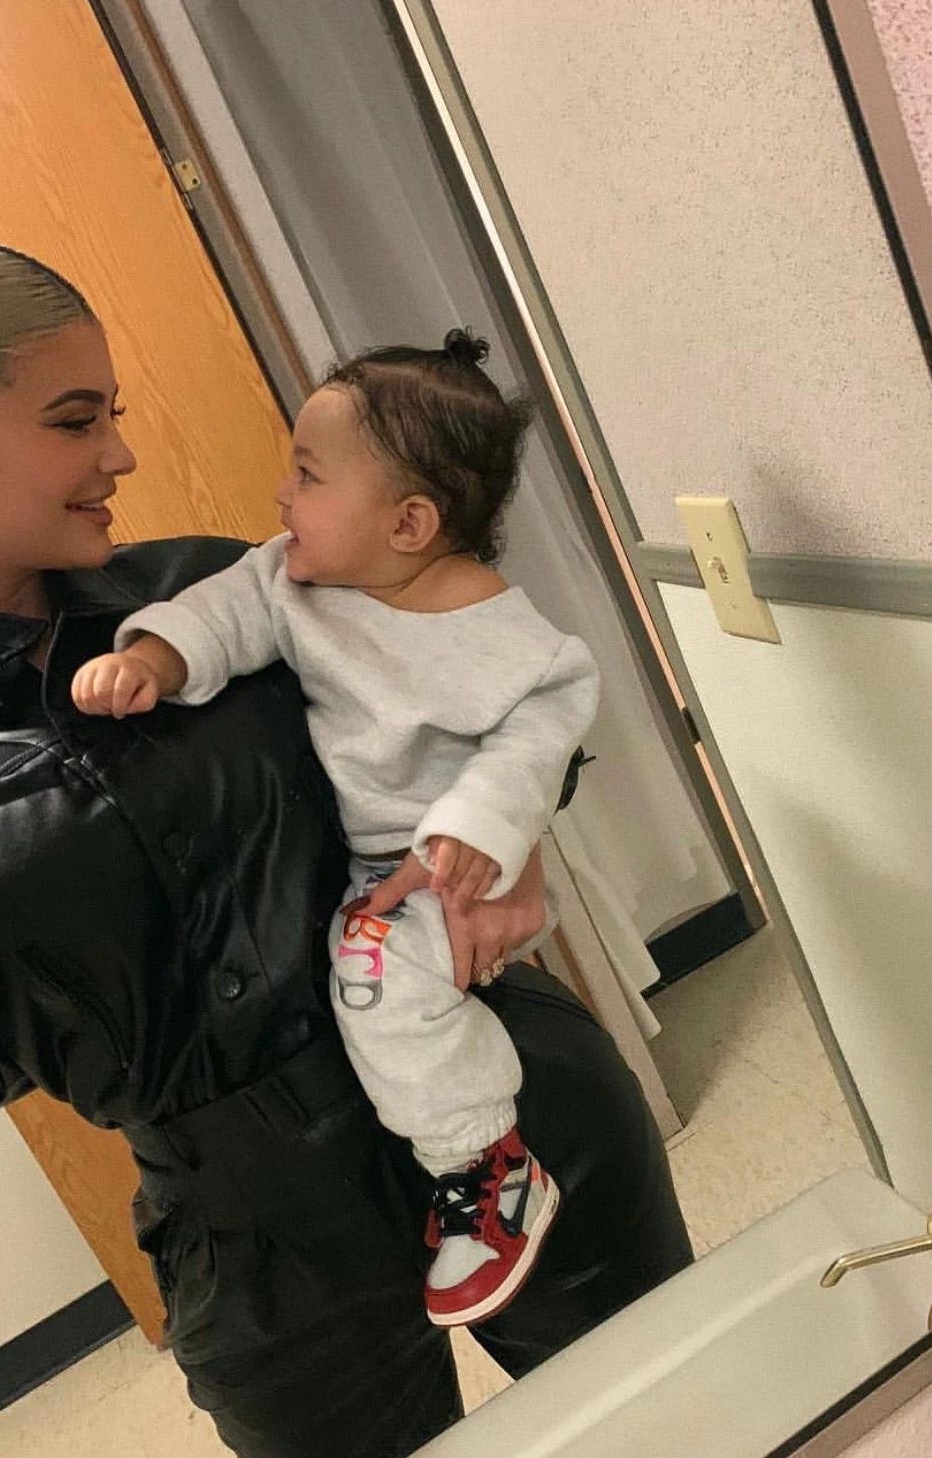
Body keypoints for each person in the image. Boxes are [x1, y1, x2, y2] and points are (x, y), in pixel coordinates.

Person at [0, 236, 692, 1458]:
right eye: (75, 419)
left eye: (113, 413)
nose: (119, 453)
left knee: (683, 1423)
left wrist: (507, 842)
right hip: (256, 1250)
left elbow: (500, 699)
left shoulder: (224, 589)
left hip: (509, 1109)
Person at [72, 330, 600, 1329]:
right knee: (371, 966)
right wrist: (151, 660)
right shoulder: (290, 582)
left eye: (308, 475)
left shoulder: (510, 641)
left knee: (373, 977)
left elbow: (540, 736)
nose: (282, 496)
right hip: (367, 868)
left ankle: (487, 1166)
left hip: (446, 872)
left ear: (409, 522)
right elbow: (219, 615)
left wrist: (475, 828)